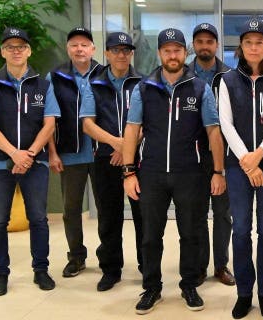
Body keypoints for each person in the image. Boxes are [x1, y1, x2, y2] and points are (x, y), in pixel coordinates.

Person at [122, 27, 226, 315]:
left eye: (177, 50)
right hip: (152, 173)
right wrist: (129, 172)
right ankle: (152, 288)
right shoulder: (144, 88)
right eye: (167, 50)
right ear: (159, 53)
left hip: (189, 173)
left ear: (185, 52)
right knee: (150, 235)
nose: (172, 54)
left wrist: (218, 171)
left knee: (191, 233)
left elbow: (213, 132)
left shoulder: (200, 88)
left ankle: (189, 285)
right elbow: (132, 130)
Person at [0, 27, 60, 296]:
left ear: (29, 50)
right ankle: (0, 274)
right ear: (2, 51)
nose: (16, 51)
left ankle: (41, 270)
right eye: (10, 47)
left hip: (36, 163)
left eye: (21, 46)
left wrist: (30, 154)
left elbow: (49, 124)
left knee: (38, 218)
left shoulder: (43, 85)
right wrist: (14, 153)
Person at [218, 19, 263, 319]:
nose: (254, 47)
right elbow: (225, 123)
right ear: (241, 47)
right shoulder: (228, 80)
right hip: (239, 166)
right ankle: (244, 292)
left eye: (259, 42)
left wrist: (260, 153)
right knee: (242, 229)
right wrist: (247, 160)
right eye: (248, 42)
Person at [79, 31, 144, 291]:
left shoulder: (143, 82)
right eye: (116, 50)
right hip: (105, 158)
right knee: (108, 217)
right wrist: (117, 143)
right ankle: (111, 269)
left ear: (132, 54)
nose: (121, 54)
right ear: (106, 53)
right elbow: (87, 124)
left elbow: (148, 122)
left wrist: (127, 148)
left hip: (138, 160)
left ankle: (147, 266)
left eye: (126, 50)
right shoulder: (93, 83)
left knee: (143, 216)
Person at [47, 27, 101, 280]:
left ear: (93, 48)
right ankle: (76, 257)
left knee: (107, 208)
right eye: (74, 45)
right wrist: (52, 153)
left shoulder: (104, 74)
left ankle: (109, 257)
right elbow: (48, 119)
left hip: (102, 153)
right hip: (69, 152)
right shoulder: (55, 77)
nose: (79, 49)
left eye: (84, 45)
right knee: (70, 209)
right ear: (68, 49)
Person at [187, 22, 236, 287]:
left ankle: (220, 265)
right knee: (195, 213)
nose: (205, 46)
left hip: (223, 154)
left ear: (217, 45)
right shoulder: (182, 75)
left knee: (222, 213)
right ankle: (198, 265)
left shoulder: (229, 75)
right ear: (193, 46)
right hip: (191, 156)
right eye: (200, 41)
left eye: (210, 41)